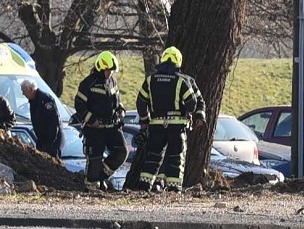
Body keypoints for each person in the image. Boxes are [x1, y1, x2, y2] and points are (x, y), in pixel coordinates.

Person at [136, 46, 205, 192]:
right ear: (178, 62)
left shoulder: (150, 80)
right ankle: (174, 189)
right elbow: (193, 103)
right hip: (177, 126)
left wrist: (144, 120)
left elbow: (141, 102)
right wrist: (196, 114)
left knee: (153, 156)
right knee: (176, 156)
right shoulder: (183, 81)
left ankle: (145, 186)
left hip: (156, 125)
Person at [73, 51, 127, 191]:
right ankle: (92, 187)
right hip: (94, 129)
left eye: (112, 71)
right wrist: (91, 119)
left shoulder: (113, 81)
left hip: (112, 126)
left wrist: (121, 109)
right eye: (108, 70)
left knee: (122, 152)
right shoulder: (87, 83)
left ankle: (102, 176)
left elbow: (117, 100)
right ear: (101, 68)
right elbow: (79, 104)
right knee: (94, 160)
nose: (110, 73)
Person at [21, 79, 62, 159]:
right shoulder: (33, 101)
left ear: (31, 89)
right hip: (41, 139)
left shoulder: (45, 99)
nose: (23, 94)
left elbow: (53, 123)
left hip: (51, 140)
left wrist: (49, 143)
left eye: (24, 91)